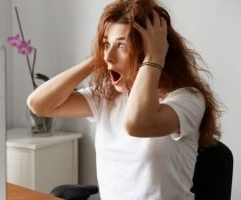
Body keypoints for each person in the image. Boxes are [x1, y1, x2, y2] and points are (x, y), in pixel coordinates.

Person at [27, 0, 222, 199]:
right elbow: (39, 104)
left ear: (151, 49)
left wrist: (154, 58)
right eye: (106, 43)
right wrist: (98, 58)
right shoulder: (107, 97)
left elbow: (137, 123)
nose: (109, 57)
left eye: (122, 45)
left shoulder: (187, 98)